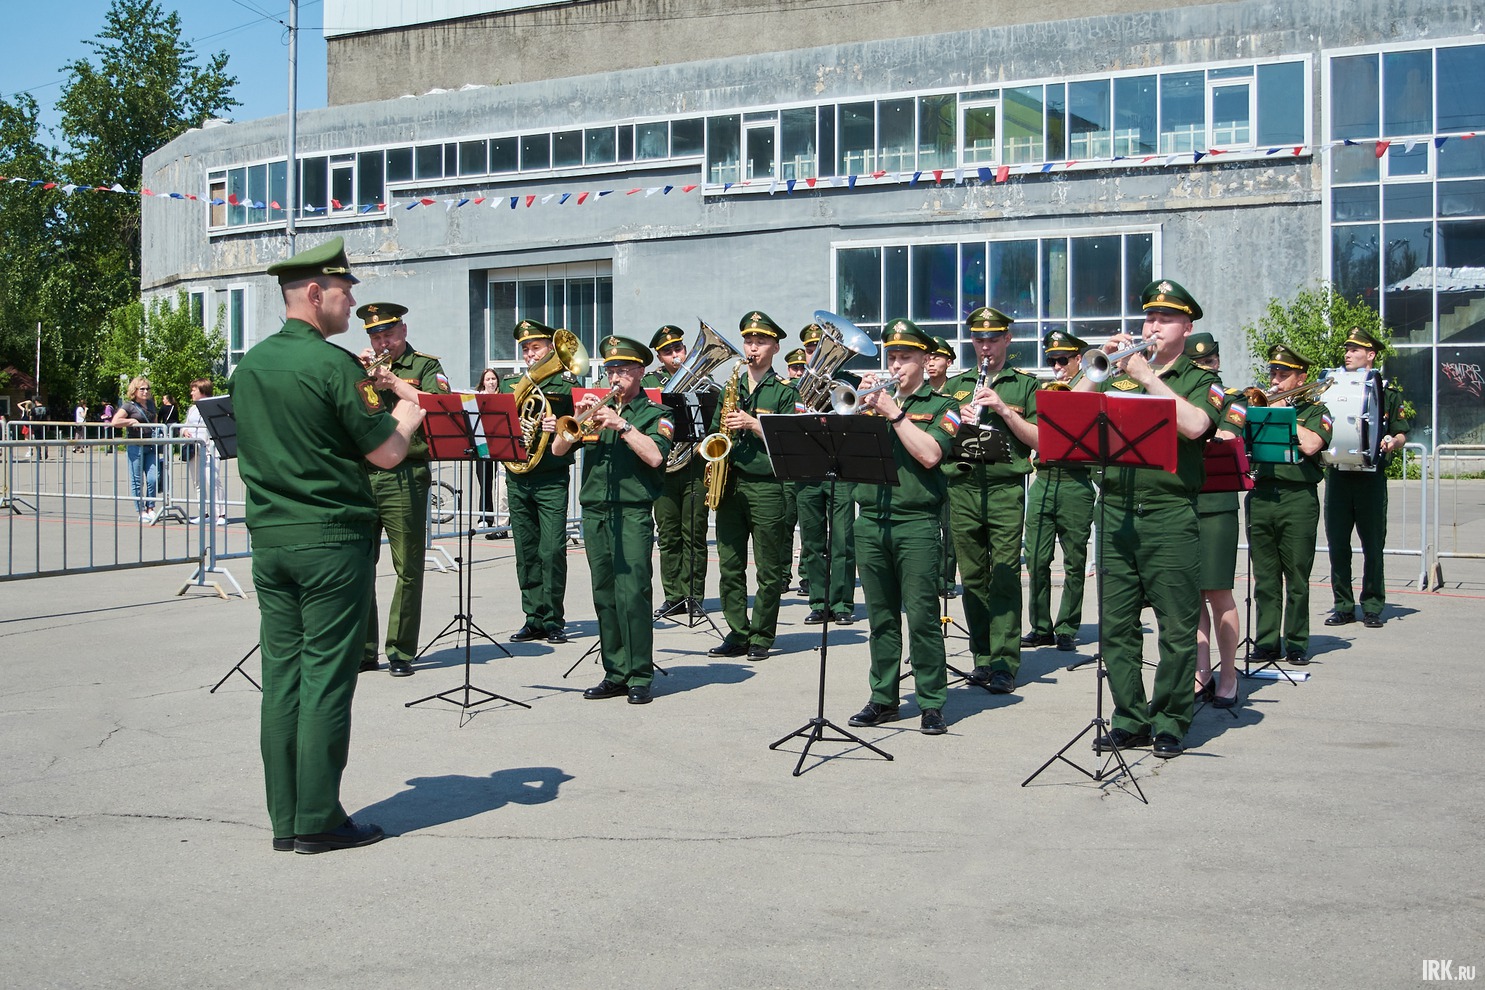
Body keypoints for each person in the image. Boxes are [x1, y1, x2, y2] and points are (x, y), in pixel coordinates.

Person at [232, 235, 425, 854]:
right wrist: (412, 412)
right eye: (344, 292)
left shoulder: (252, 365)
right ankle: (318, 817)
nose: (350, 305)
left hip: (271, 539)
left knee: (281, 676)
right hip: (331, 540)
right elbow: (387, 452)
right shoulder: (333, 365)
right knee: (326, 678)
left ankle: (285, 819)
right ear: (314, 294)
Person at [1074, 279, 1221, 759]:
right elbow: (1072, 415)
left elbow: (1197, 426)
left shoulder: (1200, 379)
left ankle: (1171, 719)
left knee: (1176, 626)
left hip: (1169, 515)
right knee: (1116, 626)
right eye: (1149, 318)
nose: (1153, 326)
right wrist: (1096, 367)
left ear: (1188, 326)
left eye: (1165, 319)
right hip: (1114, 511)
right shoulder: (1116, 373)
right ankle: (1130, 717)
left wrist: (1147, 379)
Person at [845, 319, 962, 735]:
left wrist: (894, 415)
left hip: (916, 522)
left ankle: (931, 701)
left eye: (905, 358)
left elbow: (931, 455)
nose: (896, 365)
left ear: (925, 360)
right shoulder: (874, 402)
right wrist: (860, 410)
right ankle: (884, 697)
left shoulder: (944, 406)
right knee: (880, 618)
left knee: (923, 618)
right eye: (891, 357)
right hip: (871, 520)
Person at [551, 336, 674, 703]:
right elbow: (559, 448)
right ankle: (615, 671)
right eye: (610, 370)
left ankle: (639, 675)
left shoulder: (656, 414)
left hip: (632, 511)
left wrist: (622, 426)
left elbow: (655, 457)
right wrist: (578, 420)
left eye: (622, 370)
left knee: (633, 592)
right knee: (604, 593)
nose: (615, 377)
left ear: (640, 372)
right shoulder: (593, 410)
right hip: (595, 510)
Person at [944, 307, 1039, 695]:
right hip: (963, 487)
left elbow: (1039, 440)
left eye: (993, 339)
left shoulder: (1025, 386)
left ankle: (1004, 661)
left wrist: (1001, 409)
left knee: (1002, 575)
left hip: (1004, 489)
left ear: (1007, 340)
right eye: (979, 339)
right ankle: (981, 657)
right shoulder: (956, 385)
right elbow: (941, 437)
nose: (986, 346)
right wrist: (960, 422)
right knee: (973, 577)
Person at [355, 302, 450, 676]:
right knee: (360, 566)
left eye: (388, 335)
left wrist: (394, 383)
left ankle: (400, 651)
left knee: (407, 566)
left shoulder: (425, 366)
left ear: (404, 331)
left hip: (405, 474)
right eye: (376, 336)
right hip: (364, 473)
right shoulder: (361, 365)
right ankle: (364, 650)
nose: (382, 343)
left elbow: (441, 406)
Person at [707, 311, 794, 661]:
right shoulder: (733, 385)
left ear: (774, 346)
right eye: (748, 341)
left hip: (766, 486)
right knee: (729, 564)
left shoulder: (787, 390)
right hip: (730, 483)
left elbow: (791, 440)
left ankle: (761, 634)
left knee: (769, 568)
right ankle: (737, 632)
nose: (752, 347)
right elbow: (714, 431)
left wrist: (754, 424)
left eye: (759, 342)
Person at [1248, 342, 1333, 667]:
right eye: (1273, 372)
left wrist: (1282, 413)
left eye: (1283, 374)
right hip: (1262, 495)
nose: (1275, 379)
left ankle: (1296, 641)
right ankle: (1267, 641)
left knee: (1297, 576)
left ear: (1301, 377)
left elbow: (1312, 444)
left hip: (1298, 499)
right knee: (1265, 577)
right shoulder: (1258, 406)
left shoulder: (1316, 411)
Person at [1324, 326, 1413, 628]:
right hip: (1338, 475)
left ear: (1370, 355)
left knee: (1372, 544)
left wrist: (1391, 441)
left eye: (1355, 350)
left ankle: (1373, 604)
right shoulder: (1332, 386)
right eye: (1347, 349)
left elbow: (1400, 432)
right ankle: (1343, 605)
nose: (1347, 354)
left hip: (1371, 478)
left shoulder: (1387, 391)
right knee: (1338, 544)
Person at [500, 319, 579, 644]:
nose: (530, 354)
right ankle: (532, 617)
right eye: (526, 349)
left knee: (552, 549)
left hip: (551, 476)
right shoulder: (509, 386)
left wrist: (556, 427)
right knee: (526, 550)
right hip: (517, 476)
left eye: (536, 348)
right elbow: (499, 428)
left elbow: (579, 427)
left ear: (550, 348)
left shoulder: (566, 385)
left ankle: (553, 618)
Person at [1022, 329, 1096, 653]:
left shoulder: (1091, 384)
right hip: (1044, 477)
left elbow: (1084, 403)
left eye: (1062, 360)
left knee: (1074, 560)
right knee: (1036, 558)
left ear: (1078, 359)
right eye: (1051, 360)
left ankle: (1067, 625)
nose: (1056, 366)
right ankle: (1040, 626)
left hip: (1075, 483)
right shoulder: (1042, 389)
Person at [1186, 333, 1245, 708]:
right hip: (1183, 502)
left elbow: (1226, 435)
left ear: (1218, 363)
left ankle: (1229, 674)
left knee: (1218, 592)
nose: (1205, 369)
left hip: (1218, 503)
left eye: (1209, 363)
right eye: (1197, 365)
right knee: (1191, 596)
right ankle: (1200, 671)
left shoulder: (1232, 399)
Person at [792, 323, 857, 626]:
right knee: (813, 540)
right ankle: (819, 600)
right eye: (810, 349)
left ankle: (842, 602)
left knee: (843, 539)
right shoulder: (791, 387)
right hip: (806, 470)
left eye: (820, 348)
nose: (815, 354)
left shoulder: (851, 382)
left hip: (840, 470)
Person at [644, 325, 710, 619]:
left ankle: (694, 594)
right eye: (668, 352)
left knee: (694, 532)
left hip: (694, 466)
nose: (675, 356)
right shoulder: (650, 384)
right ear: (660, 356)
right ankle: (673, 595)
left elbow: (712, 422)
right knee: (668, 534)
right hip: (664, 469)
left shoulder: (702, 383)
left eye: (678, 350)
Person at [111, 378, 160, 521]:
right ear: (135, 390)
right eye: (142, 389)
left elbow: (155, 421)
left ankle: (150, 507)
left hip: (150, 445)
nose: (145, 391)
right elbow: (115, 422)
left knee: (153, 478)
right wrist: (130, 421)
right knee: (137, 481)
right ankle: (141, 511)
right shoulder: (129, 406)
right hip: (135, 446)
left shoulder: (151, 404)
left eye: (147, 389)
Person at [181, 378, 228, 524]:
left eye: (194, 390)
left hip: (210, 450)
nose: (191, 393)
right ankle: (204, 513)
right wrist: (184, 431)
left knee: (212, 480)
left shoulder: (214, 406)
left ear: (202, 390)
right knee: (198, 483)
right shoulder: (192, 409)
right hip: (194, 450)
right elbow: (184, 425)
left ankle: (220, 515)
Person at [472, 367, 510, 540]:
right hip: (483, 443)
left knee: (501, 483)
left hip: (500, 443)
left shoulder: (503, 398)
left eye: (494, 379)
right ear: (483, 382)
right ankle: (485, 516)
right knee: (485, 480)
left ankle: (502, 521)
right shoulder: (476, 399)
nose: (491, 382)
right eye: (488, 379)